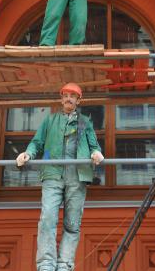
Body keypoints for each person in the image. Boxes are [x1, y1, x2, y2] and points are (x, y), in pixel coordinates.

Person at [16, 82, 104, 271]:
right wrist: (28, 154)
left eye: (73, 96)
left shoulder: (85, 122)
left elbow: (94, 145)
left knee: (72, 223)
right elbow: (37, 142)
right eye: (65, 95)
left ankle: (64, 265)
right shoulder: (50, 120)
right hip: (52, 174)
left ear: (79, 101)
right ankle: (46, 264)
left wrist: (96, 154)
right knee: (47, 219)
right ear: (61, 98)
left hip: (77, 176)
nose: (68, 98)